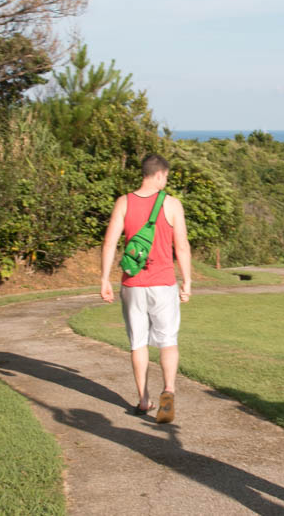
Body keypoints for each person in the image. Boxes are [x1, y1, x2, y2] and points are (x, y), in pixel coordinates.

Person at [100, 153, 192, 423]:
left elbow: (109, 243)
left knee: (138, 342)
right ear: (160, 175)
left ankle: (143, 399)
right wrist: (186, 280)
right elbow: (182, 246)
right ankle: (169, 392)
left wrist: (104, 279)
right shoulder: (172, 204)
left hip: (133, 283)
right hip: (163, 283)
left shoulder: (123, 202)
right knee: (168, 341)